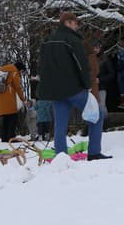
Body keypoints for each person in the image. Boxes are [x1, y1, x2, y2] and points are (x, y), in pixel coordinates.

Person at [37, 11, 110, 160]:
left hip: (56, 91)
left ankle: (61, 156)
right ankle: (94, 152)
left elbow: (41, 67)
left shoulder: (47, 41)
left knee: (60, 125)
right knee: (98, 114)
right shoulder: (72, 40)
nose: (77, 26)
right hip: (73, 88)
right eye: (76, 23)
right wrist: (87, 85)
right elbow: (81, 65)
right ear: (68, 23)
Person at [0, 61, 26, 142]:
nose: (21, 74)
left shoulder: (3, 69)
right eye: (21, 71)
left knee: (6, 118)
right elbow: (17, 87)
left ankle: (4, 138)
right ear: (20, 68)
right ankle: (11, 137)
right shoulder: (14, 71)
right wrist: (23, 98)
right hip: (8, 96)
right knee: (13, 117)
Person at [97, 46, 116, 116]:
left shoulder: (105, 59)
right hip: (91, 87)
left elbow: (112, 74)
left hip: (102, 87)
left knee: (101, 106)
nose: (95, 49)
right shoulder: (90, 58)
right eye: (93, 47)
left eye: (97, 47)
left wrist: (100, 80)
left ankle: (105, 123)